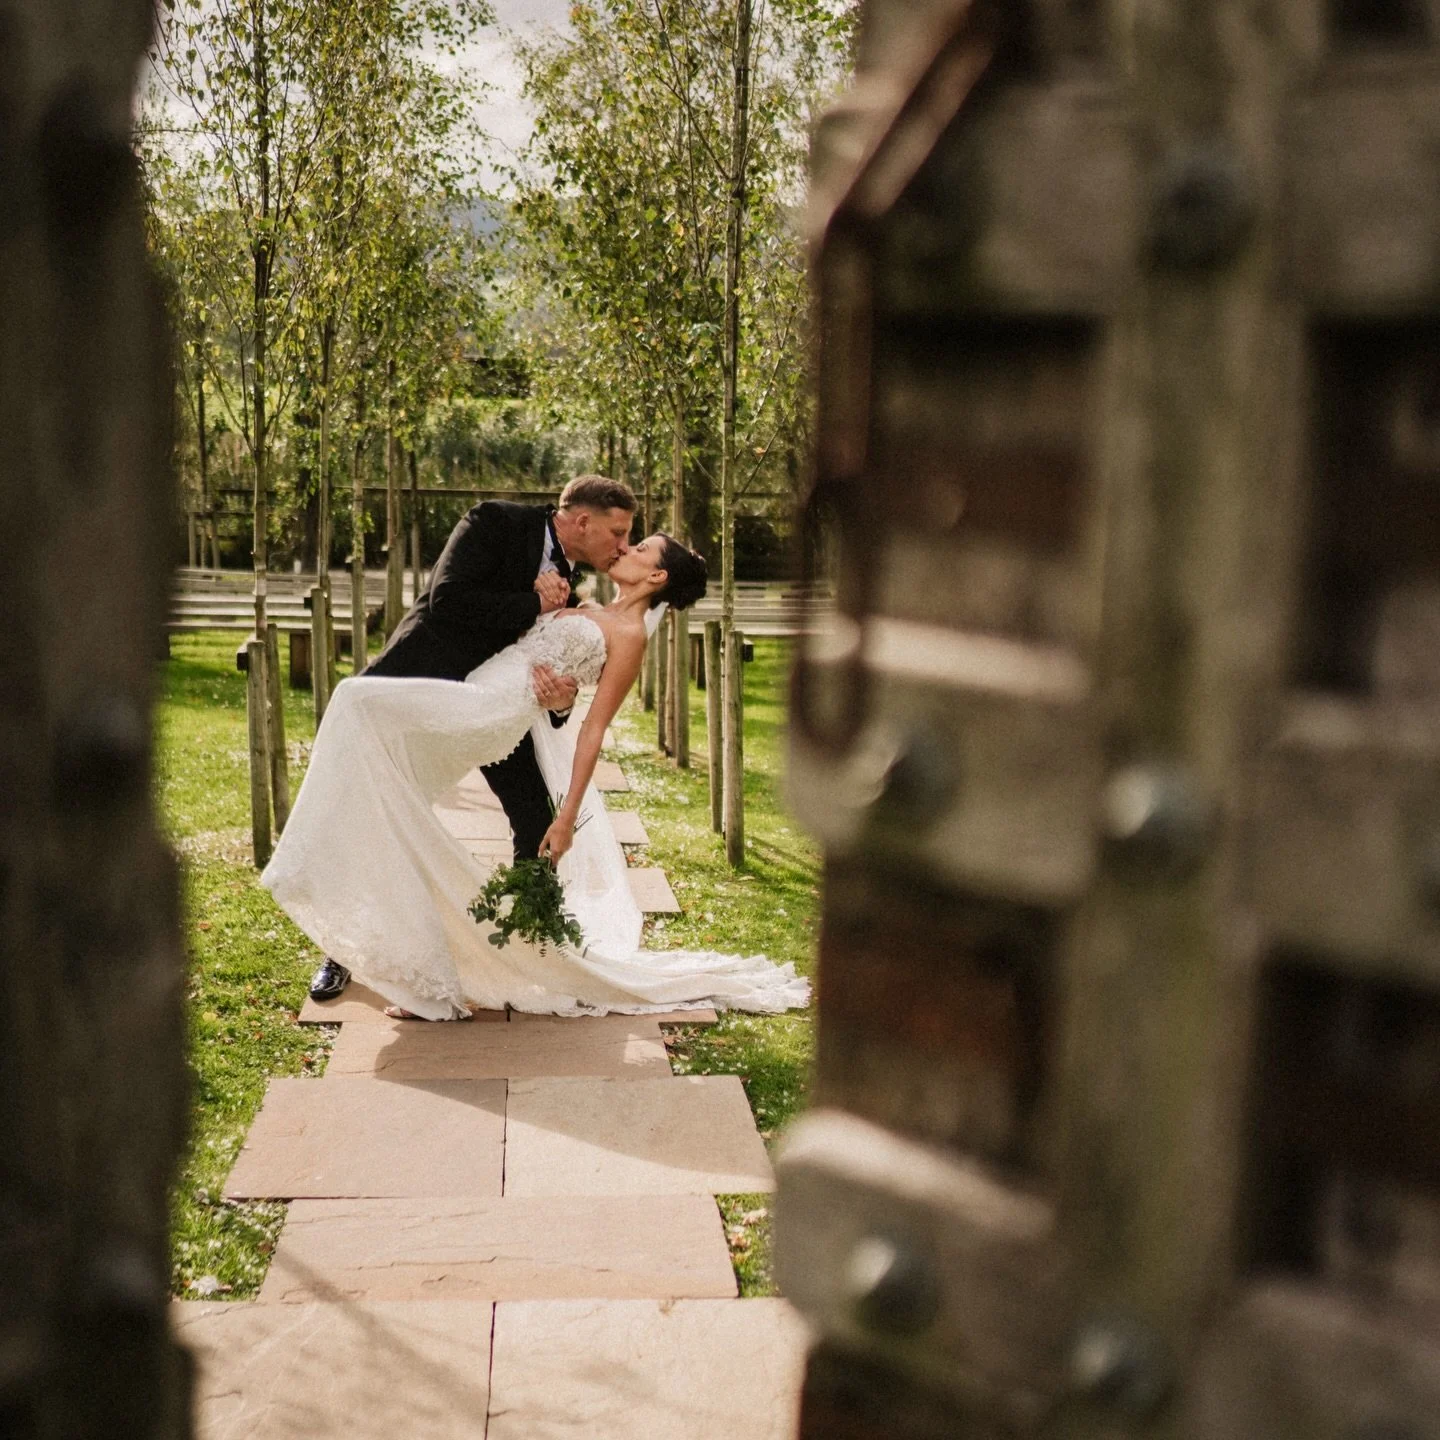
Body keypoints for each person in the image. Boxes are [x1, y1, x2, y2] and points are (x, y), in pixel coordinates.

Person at [263, 533, 808, 1020]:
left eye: (641, 547)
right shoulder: (585, 604)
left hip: (492, 709)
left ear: (657, 576)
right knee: (388, 784)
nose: (627, 547)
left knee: (354, 698)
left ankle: (304, 867)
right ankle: (372, 940)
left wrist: (566, 816)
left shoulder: (629, 636)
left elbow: (593, 729)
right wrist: (541, 598)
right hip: (475, 687)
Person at [304, 474, 637, 1002]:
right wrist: (531, 603)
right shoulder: (493, 522)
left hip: (494, 711)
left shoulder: (568, 583)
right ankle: (342, 951)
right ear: (582, 522)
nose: (622, 546)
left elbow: (551, 661)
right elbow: (449, 600)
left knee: (535, 819)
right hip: (421, 688)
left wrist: (561, 702)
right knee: (380, 812)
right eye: (618, 533)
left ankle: (527, 948)